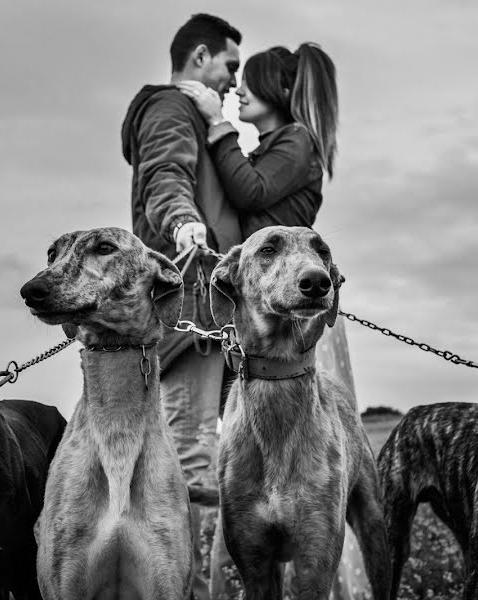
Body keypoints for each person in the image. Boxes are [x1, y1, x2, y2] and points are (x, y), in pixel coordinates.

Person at [179, 43, 369, 599]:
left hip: (299, 327)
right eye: (232, 80)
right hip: (259, 321)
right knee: (251, 472)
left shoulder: (296, 141)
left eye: (248, 82)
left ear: (279, 94)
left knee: (315, 483)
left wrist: (216, 125)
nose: (237, 91)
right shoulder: (276, 144)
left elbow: (249, 191)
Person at [120, 13, 242, 600]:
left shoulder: (194, 114)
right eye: (229, 66)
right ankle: (185, 592)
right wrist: (186, 224)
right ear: (199, 57)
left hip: (209, 311)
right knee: (191, 453)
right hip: (191, 303)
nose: (231, 82)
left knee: (202, 447)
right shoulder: (171, 109)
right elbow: (163, 175)